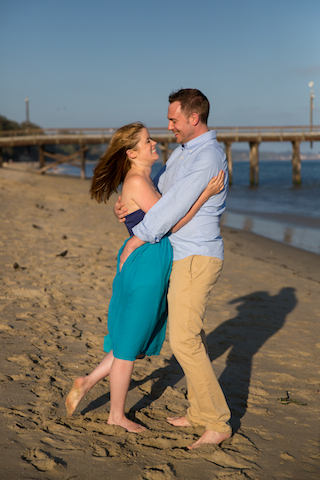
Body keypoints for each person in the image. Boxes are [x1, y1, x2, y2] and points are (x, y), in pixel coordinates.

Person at [65, 122, 224, 433]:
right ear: (132, 152)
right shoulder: (137, 182)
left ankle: (88, 381)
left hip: (150, 260)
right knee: (129, 346)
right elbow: (171, 224)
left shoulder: (142, 181)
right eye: (148, 141)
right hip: (148, 262)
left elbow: (153, 213)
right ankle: (116, 415)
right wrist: (206, 193)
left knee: (133, 336)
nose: (155, 144)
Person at [115, 89, 232, 448]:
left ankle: (217, 422)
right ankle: (198, 412)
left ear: (193, 118)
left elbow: (175, 207)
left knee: (183, 339)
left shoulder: (208, 156)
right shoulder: (184, 152)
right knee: (189, 336)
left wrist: (140, 235)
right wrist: (129, 206)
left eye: (174, 120)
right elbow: (159, 195)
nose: (169, 127)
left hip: (196, 254)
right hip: (178, 253)